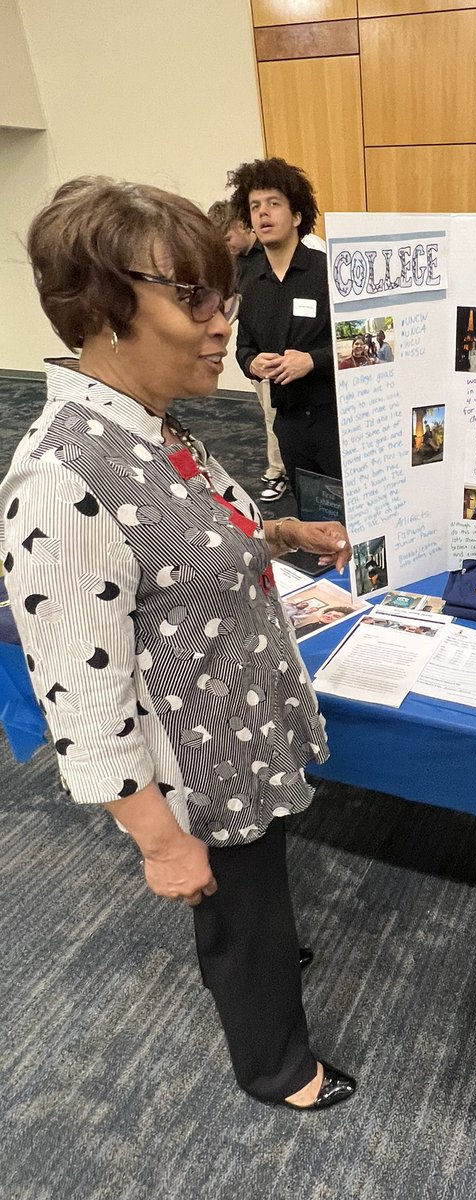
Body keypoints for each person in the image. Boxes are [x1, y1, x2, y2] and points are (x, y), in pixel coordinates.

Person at [0, 177, 357, 1116]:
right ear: (103, 308)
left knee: (258, 900)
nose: (219, 324)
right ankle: (281, 1069)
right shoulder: (60, 476)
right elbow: (80, 697)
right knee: (239, 914)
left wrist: (281, 536)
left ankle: (256, 957)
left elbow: (189, 537)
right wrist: (159, 845)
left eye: (223, 296)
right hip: (194, 765)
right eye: (192, 297)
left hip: (239, 725)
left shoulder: (151, 424)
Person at [228, 157, 341, 487]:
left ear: (296, 215)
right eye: (255, 206)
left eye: (273, 204)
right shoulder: (249, 283)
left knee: (349, 512)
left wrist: (312, 360)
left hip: (334, 418)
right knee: (309, 510)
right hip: (287, 422)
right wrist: (253, 363)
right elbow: (243, 347)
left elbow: (365, 345)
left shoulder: (328, 272)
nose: (263, 212)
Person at [208, 199, 286, 503]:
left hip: (284, 354)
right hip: (257, 354)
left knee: (274, 417)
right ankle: (282, 468)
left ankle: (276, 471)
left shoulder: (271, 256)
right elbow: (232, 309)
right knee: (271, 416)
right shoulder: (235, 264)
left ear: (241, 226)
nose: (227, 246)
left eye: (227, 238)